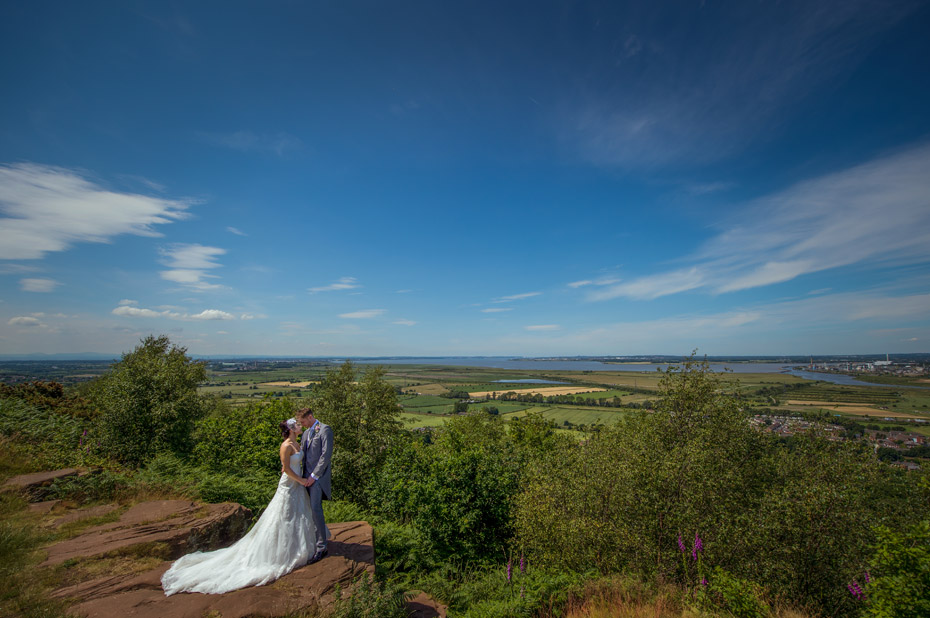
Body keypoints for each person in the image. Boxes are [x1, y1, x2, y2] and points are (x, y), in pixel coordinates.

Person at [161, 418, 316, 595]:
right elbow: (286, 469)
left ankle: (297, 546)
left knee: (297, 516)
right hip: (289, 485)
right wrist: (301, 480)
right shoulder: (286, 446)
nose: (299, 426)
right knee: (283, 516)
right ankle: (279, 554)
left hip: (297, 485)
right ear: (290, 429)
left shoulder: (297, 443)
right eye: (296, 425)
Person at [296, 407, 333, 564]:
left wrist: (314, 476)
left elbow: (326, 455)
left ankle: (321, 547)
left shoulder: (325, 430)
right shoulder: (305, 433)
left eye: (303, 421)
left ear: (310, 417)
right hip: (305, 478)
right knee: (308, 510)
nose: (302, 424)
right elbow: (302, 454)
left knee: (316, 509)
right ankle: (313, 540)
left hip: (317, 479)